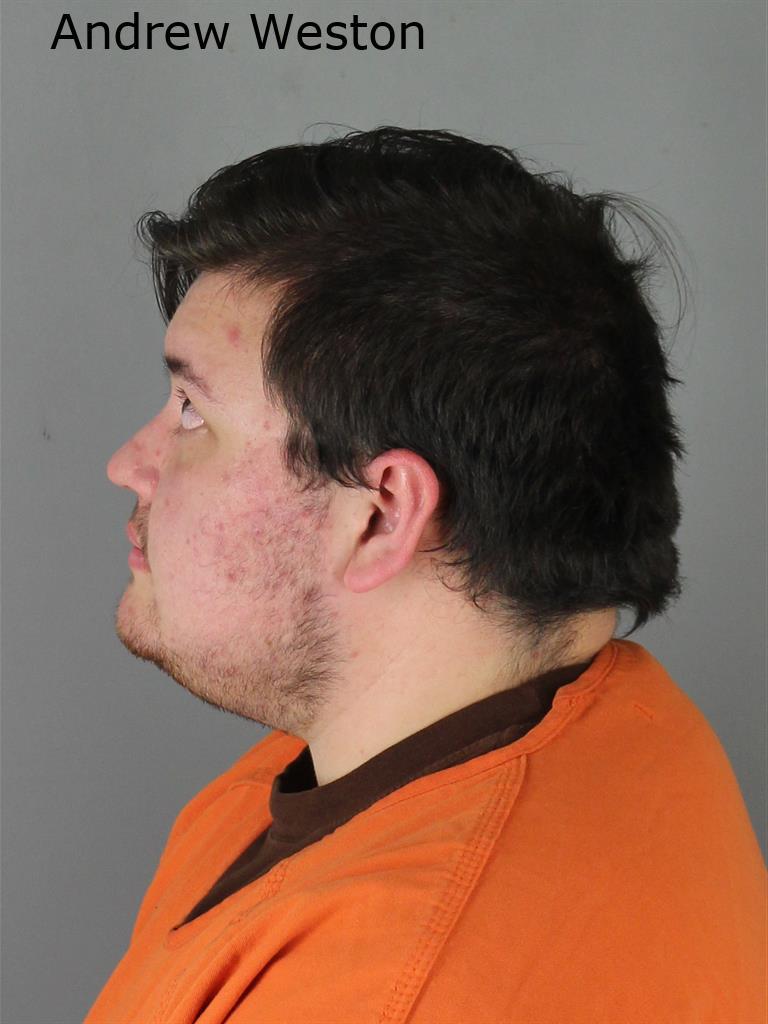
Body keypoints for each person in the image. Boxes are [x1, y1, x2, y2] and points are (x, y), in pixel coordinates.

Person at [85, 128, 765, 1023]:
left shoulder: (400, 986)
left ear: (381, 515)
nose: (126, 465)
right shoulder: (618, 739)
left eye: (190, 410)